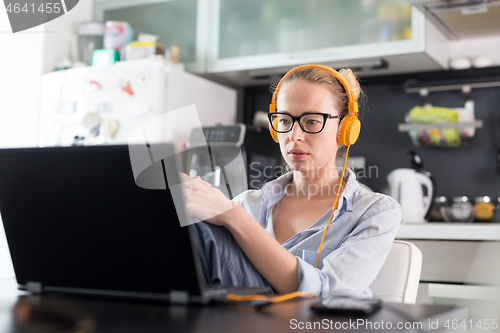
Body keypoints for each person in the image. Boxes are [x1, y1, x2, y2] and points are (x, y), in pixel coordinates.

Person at [181, 64, 402, 299]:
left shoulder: (375, 211)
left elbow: (327, 295)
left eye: (311, 121)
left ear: (344, 130)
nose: (294, 135)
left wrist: (234, 217)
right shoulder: (247, 204)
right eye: (284, 121)